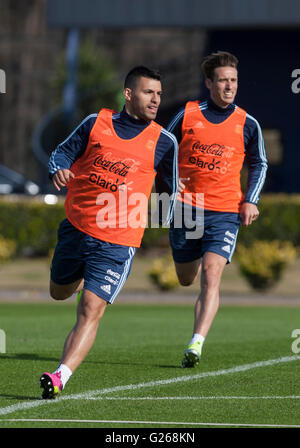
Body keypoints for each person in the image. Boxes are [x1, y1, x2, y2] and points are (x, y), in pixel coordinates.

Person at [40, 66, 178, 399]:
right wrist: (57, 169)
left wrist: (165, 227)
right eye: (148, 92)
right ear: (129, 94)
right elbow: (62, 152)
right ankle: (76, 277)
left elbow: (171, 188)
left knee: (90, 307)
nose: (155, 99)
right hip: (76, 227)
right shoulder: (95, 123)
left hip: (119, 240)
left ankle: (60, 376)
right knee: (59, 293)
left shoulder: (164, 141)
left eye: (159, 94)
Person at [167, 51, 268, 368]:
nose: (229, 86)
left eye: (233, 81)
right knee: (186, 277)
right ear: (208, 82)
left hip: (225, 211)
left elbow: (259, 163)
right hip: (187, 208)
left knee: (212, 276)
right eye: (223, 80)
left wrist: (250, 199)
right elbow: (161, 150)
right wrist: (165, 193)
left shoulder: (247, 123)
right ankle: (191, 255)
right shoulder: (187, 115)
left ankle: (196, 343)